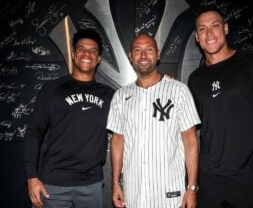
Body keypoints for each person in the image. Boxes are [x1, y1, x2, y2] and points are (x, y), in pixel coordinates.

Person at [188, 5, 253, 208]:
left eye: (215, 25)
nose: (209, 33)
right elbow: (192, 127)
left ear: (225, 28)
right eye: (202, 29)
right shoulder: (195, 79)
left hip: (251, 179)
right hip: (210, 181)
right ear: (197, 37)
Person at [107, 33, 201, 208]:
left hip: (170, 196)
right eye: (137, 50)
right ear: (130, 56)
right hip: (134, 195)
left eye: (149, 49)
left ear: (158, 54)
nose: (143, 56)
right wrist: (115, 183)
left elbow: (190, 141)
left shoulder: (179, 91)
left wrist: (192, 187)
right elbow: (118, 141)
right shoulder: (120, 96)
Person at [24, 28, 114, 208]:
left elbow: (136, 105)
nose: (86, 54)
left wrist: (162, 82)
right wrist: (31, 177)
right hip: (52, 183)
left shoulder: (109, 95)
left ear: (98, 59)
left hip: (91, 184)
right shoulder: (52, 89)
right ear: (74, 54)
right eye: (81, 49)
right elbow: (34, 133)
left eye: (93, 51)